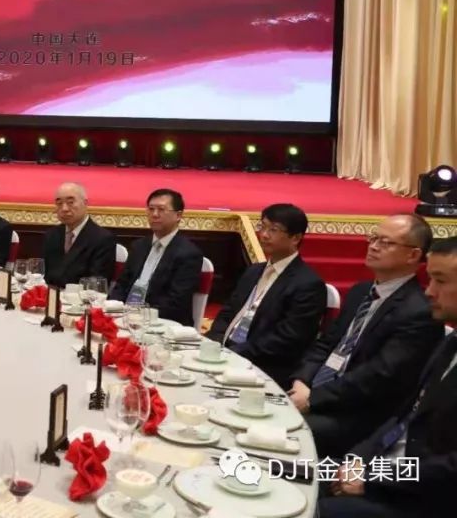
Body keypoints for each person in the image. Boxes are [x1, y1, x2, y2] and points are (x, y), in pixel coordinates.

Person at [319, 237, 457, 518]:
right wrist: (358, 459)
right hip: (386, 467)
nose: (429, 291)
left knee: (308, 508)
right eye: (430, 279)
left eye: (441, 281)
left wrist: (371, 481)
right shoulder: (450, 342)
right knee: (280, 471)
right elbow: (404, 416)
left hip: (420, 496)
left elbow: (449, 469)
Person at [287, 214, 442, 459]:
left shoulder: (419, 312)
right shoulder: (361, 291)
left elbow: (379, 376)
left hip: (357, 413)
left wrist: (313, 399)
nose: (374, 246)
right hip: (317, 392)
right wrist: (302, 381)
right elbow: (326, 343)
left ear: (413, 255)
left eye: (385, 242)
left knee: (280, 431)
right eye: (373, 238)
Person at [205, 203, 326, 389]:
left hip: (264, 366)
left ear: (295, 238)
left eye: (273, 230)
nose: (264, 234)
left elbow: (287, 339)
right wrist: (215, 340)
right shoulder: (253, 271)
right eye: (262, 226)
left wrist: (233, 352)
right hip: (229, 352)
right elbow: (228, 311)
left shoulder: (308, 284)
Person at [110, 188, 203, 326]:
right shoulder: (139, 246)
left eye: (161, 209)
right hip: (127, 317)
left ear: (178, 215)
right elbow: (122, 285)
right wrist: (113, 308)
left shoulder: (189, 254)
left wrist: (139, 314)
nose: (154, 214)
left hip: (164, 322)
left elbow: (176, 302)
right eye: (151, 209)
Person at [42, 182, 116, 289]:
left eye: (70, 202)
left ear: (85, 203)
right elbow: (43, 275)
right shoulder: (51, 235)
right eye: (59, 203)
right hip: (51, 296)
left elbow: (97, 283)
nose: (64, 209)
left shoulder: (102, 239)